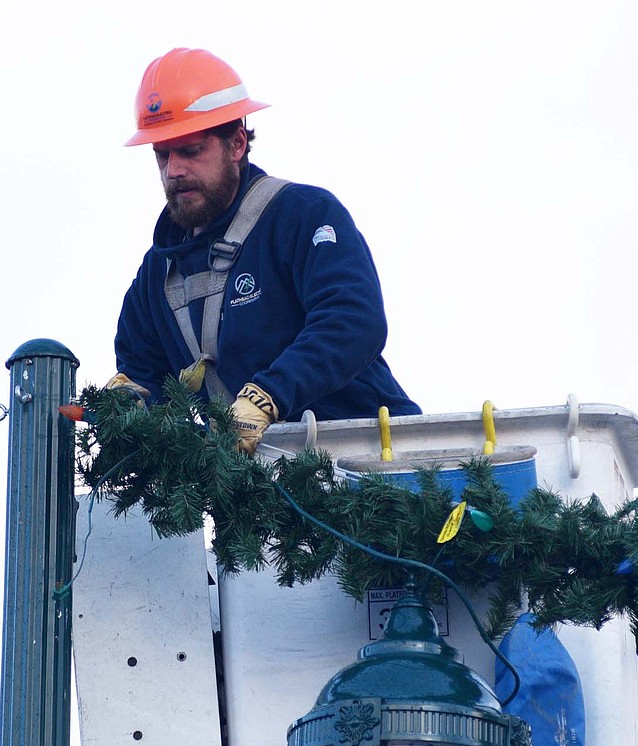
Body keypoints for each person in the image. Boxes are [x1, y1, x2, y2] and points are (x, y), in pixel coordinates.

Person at [109, 47, 421, 453]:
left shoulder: (301, 215)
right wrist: (131, 402)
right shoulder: (157, 277)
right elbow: (144, 375)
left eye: (190, 150)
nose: (174, 170)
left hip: (373, 466)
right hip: (260, 498)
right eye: (162, 155)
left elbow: (353, 320)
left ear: (236, 144)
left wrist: (269, 394)